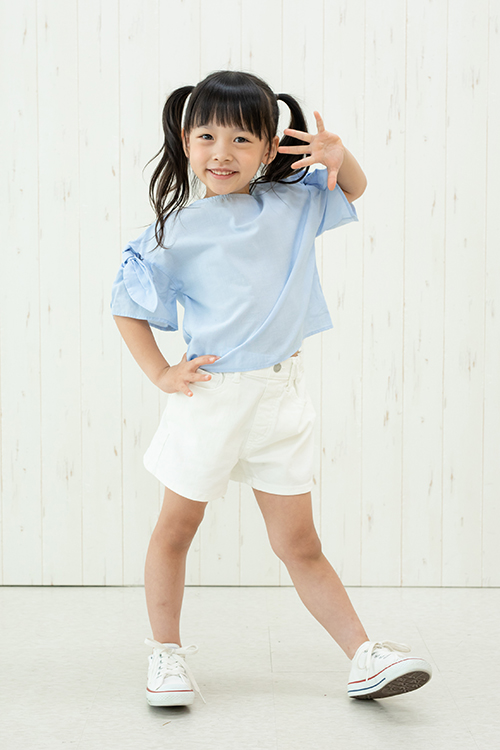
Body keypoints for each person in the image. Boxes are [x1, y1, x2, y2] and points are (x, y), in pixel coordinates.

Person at [110, 70, 432, 707]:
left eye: (241, 139)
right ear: (186, 141)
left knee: (299, 543)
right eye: (207, 136)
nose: (222, 152)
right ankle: (166, 654)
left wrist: (339, 156)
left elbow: (353, 187)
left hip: (281, 398)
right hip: (209, 398)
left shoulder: (293, 203)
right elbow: (126, 303)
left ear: (268, 148)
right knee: (176, 529)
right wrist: (161, 373)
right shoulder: (176, 230)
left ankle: (363, 656)